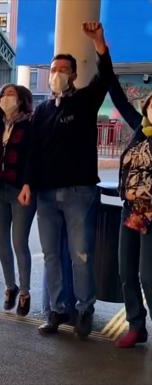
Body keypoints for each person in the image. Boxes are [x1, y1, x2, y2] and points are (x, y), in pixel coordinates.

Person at [18, 22, 113, 339]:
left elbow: (106, 79)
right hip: (45, 195)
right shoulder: (42, 111)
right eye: (53, 68)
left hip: (78, 193)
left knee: (80, 254)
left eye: (63, 69)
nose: (57, 73)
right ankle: (56, 310)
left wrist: (100, 45)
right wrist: (27, 183)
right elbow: (32, 151)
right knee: (51, 255)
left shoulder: (85, 101)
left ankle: (85, 309)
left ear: (73, 75)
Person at [108, 76, 152, 348]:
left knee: (149, 276)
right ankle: (137, 325)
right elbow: (118, 97)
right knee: (126, 271)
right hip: (131, 211)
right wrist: (102, 53)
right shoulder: (140, 129)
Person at [0, 84, 35, 315]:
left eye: (11, 94)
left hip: (21, 190)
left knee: (19, 243)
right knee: (2, 242)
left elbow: (32, 157)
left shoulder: (30, 123)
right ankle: (10, 287)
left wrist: (27, 183)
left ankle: (25, 292)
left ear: (21, 99)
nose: (6, 98)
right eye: (3, 94)